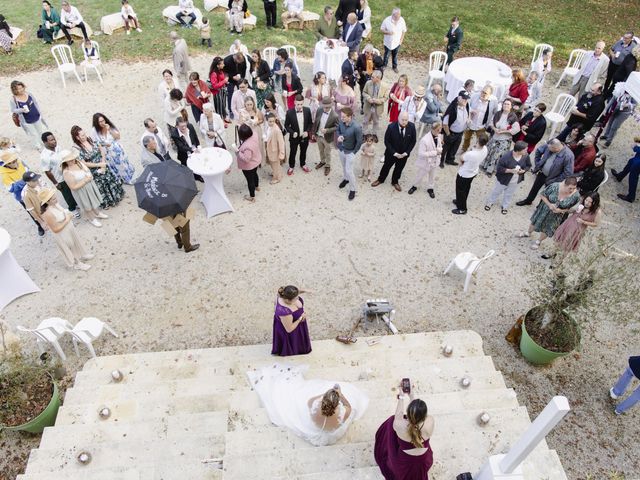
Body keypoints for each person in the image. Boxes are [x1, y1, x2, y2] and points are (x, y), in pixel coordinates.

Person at [247, 365, 368, 446]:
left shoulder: (315, 406)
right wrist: (341, 395)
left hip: (316, 429)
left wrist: (323, 396)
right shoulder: (341, 414)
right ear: (337, 405)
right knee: (352, 397)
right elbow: (349, 407)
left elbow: (309, 401)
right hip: (330, 435)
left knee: (303, 394)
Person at [374, 386, 434, 479]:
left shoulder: (399, 425)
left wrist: (401, 397)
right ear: (424, 415)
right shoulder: (430, 422)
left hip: (405, 461)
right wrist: (412, 396)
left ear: (409, 414)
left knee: (391, 421)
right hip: (423, 459)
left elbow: (397, 416)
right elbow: (417, 419)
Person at [519, 177, 580, 250]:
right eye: (570, 188)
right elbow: (542, 195)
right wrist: (549, 205)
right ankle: (528, 233)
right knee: (535, 221)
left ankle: (539, 241)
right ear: (565, 185)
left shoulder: (576, 196)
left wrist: (560, 210)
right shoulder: (554, 186)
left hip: (557, 215)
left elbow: (571, 208)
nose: (572, 190)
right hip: (545, 209)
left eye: (574, 188)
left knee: (548, 228)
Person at [39, 188, 93, 270]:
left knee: (76, 242)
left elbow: (64, 213)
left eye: (55, 197)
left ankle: (82, 254)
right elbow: (55, 229)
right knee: (70, 247)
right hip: (62, 233)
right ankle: (77, 263)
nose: (56, 199)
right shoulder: (48, 214)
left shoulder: (55, 205)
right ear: (47, 201)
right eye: (53, 199)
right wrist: (67, 219)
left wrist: (69, 215)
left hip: (69, 228)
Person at [71, 126, 124, 209]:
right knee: (101, 185)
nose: (85, 136)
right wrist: (99, 165)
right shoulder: (76, 148)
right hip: (94, 169)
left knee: (110, 180)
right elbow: (83, 163)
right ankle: (107, 202)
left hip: (102, 163)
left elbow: (101, 149)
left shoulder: (90, 139)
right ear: (77, 137)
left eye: (84, 134)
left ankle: (116, 197)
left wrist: (103, 161)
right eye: (82, 136)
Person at [516, 139, 575, 206]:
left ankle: (540, 206)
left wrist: (555, 181)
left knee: (547, 194)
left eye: (550, 149)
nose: (548, 150)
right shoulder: (550, 146)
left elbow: (568, 173)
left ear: (555, 148)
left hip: (553, 179)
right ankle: (529, 200)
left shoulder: (569, 156)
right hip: (542, 173)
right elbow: (538, 150)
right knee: (535, 188)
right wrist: (538, 163)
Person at [0, 152, 45, 236]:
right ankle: (39, 225)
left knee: (42, 203)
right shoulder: (4, 175)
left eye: (15, 160)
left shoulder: (20, 162)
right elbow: (11, 188)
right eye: (12, 162)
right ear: (7, 164)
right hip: (23, 196)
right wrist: (24, 181)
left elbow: (28, 170)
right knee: (32, 211)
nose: (16, 162)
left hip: (34, 189)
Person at [61, 150, 108, 228]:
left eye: (72, 158)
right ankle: (91, 219)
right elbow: (73, 187)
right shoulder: (66, 172)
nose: (72, 160)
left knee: (92, 200)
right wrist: (86, 180)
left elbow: (87, 171)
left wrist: (90, 177)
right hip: (80, 190)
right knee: (86, 205)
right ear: (65, 162)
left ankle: (97, 213)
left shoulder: (79, 163)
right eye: (69, 160)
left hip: (89, 185)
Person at [546, 191, 601, 257]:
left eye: (590, 202)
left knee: (567, 246)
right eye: (586, 200)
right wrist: (573, 208)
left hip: (577, 230)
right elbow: (570, 211)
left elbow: (596, 224)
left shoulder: (597, 211)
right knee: (559, 240)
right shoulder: (581, 203)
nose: (587, 203)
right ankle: (552, 253)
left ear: (594, 203)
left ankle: (558, 262)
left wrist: (584, 222)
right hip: (568, 224)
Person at [372, 112, 417, 191]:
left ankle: (395, 181)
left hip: (404, 154)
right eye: (402, 120)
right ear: (398, 118)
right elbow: (387, 141)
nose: (404, 122)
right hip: (391, 153)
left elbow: (413, 141)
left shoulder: (412, 127)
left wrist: (406, 152)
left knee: (399, 168)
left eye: (406, 120)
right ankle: (381, 179)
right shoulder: (391, 127)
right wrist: (394, 153)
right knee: (386, 167)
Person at [484, 140, 531, 214]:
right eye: (525, 149)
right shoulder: (506, 157)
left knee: (509, 193)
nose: (527, 150)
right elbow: (499, 169)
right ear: (518, 150)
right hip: (503, 179)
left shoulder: (526, 156)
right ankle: (490, 202)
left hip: (515, 180)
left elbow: (528, 165)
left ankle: (505, 206)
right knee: (497, 191)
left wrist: (524, 170)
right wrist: (510, 170)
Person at [40, 132, 79, 217]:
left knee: (74, 190)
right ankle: (72, 209)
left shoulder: (58, 147)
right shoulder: (44, 156)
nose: (54, 141)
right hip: (60, 179)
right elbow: (47, 171)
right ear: (45, 142)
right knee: (67, 194)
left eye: (54, 139)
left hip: (67, 173)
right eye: (51, 140)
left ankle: (76, 204)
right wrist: (56, 183)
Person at [452, 133, 490, 214]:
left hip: (464, 174)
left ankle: (462, 209)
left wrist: (470, 150)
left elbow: (461, 158)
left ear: (477, 141)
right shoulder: (485, 149)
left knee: (460, 190)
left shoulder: (471, 154)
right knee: (466, 188)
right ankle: (460, 201)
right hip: (473, 172)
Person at [91, 113, 135, 184]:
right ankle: (120, 180)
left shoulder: (109, 126)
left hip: (116, 150)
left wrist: (109, 130)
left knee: (123, 164)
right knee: (114, 167)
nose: (102, 123)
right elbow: (95, 143)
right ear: (96, 123)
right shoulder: (94, 131)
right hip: (107, 153)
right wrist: (104, 145)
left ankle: (128, 178)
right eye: (100, 122)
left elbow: (118, 137)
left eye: (103, 120)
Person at [481, 99, 520, 175]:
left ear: (511, 106)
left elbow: (517, 129)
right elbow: (491, 123)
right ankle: (484, 166)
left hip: (504, 139)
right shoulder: (498, 113)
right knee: (490, 152)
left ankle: (491, 170)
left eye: (508, 104)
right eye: (504, 104)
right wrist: (495, 129)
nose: (506, 105)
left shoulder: (513, 116)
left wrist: (504, 131)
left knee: (497, 155)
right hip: (495, 136)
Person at [272, 285, 312, 356]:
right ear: (287, 300)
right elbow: (289, 329)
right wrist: (300, 318)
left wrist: (305, 290)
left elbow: (295, 292)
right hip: (290, 330)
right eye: (295, 298)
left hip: (298, 327)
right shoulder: (284, 311)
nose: (297, 298)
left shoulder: (285, 294)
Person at [408, 122, 443, 198]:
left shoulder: (439, 136)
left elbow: (440, 145)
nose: (439, 131)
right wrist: (435, 152)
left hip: (435, 161)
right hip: (426, 162)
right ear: (432, 129)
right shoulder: (425, 140)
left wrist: (440, 150)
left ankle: (430, 188)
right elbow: (421, 153)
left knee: (432, 176)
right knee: (420, 175)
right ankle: (415, 186)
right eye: (438, 130)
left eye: (440, 129)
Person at [9, 80, 47, 149]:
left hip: (36, 116)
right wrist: (21, 110)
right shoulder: (13, 99)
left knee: (40, 130)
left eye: (22, 87)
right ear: (15, 90)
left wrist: (39, 113)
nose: (21, 90)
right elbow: (13, 110)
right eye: (19, 89)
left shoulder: (29, 94)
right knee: (33, 134)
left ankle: (42, 142)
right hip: (26, 120)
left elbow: (35, 103)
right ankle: (37, 145)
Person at [336, 107, 363, 200]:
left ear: (350, 117)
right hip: (341, 149)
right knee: (344, 167)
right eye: (341, 116)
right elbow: (338, 130)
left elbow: (359, 141)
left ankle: (353, 189)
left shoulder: (357, 127)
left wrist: (354, 152)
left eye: (343, 117)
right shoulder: (341, 122)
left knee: (349, 171)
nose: (341, 118)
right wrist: (339, 136)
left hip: (350, 152)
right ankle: (346, 179)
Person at [231, 124, 262, 202]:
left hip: (249, 166)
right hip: (256, 160)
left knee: (250, 180)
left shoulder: (247, 146)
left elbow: (246, 159)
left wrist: (237, 152)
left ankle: (252, 197)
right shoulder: (254, 134)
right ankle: (257, 186)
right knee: (255, 174)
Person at [439, 90, 470, 168]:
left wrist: (468, 119)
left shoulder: (466, 104)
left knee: (455, 147)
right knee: (445, 148)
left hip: (460, 132)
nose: (466, 101)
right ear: (459, 98)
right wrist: (448, 134)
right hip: (451, 132)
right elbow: (445, 124)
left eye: (467, 99)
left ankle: (450, 159)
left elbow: (468, 113)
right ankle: (441, 160)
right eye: (464, 99)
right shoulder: (452, 108)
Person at [284, 95, 313, 175]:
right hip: (294, 137)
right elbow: (286, 125)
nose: (300, 106)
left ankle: (303, 164)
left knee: (303, 151)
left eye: (301, 104)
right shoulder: (289, 112)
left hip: (304, 137)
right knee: (293, 152)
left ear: (303, 103)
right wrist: (292, 132)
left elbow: (310, 123)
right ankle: (291, 166)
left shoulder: (307, 110)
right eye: (298, 104)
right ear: (294, 103)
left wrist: (307, 131)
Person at [462, 86, 496, 153]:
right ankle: (464, 149)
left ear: (490, 94)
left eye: (485, 93)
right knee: (466, 138)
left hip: (481, 125)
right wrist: (472, 110)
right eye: (482, 91)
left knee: (480, 140)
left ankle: (476, 151)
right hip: (471, 123)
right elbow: (466, 105)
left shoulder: (493, 102)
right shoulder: (474, 96)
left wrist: (490, 122)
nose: (482, 94)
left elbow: (495, 112)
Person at [313, 97, 339, 175]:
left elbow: (337, 127)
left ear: (331, 106)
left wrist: (327, 130)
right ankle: (322, 161)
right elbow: (316, 121)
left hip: (327, 138)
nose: (325, 109)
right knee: (321, 150)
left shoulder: (335, 115)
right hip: (318, 135)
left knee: (327, 152)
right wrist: (314, 133)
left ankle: (328, 165)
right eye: (324, 107)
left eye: (327, 107)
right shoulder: (319, 109)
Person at [611, 137, 640, 203]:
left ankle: (631, 197)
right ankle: (620, 176)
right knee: (630, 162)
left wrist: (636, 147)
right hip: (637, 158)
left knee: (633, 177)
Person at [356, 44, 384, 112]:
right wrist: (362, 72)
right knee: (363, 93)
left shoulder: (375, 58)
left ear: (372, 52)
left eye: (368, 52)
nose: (366, 54)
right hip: (363, 79)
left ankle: (371, 107)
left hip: (373, 80)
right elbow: (357, 67)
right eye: (365, 52)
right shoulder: (361, 57)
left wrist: (372, 73)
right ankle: (363, 107)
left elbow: (379, 69)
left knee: (373, 94)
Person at [362, 71, 389, 135]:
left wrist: (378, 101)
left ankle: (374, 134)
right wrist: (368, 98)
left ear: (378, 78)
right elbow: (364, 92)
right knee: (365, 121)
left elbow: (386, 98)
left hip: (377, 107)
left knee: (376, 122)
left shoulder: (385, 86)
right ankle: (364, 133)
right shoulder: (368, 83)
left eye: (372, 77)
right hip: (368, 106)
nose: (371, 78)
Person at [380, 8, 406, 73]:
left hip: (397, 43)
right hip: (388, 42)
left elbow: (404, 31)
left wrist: (401, 41)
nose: (398, 18)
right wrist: (388, 32)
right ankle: (384, 65)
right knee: (386, 55)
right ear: (393, 15)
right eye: (396, 16)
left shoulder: (402, 20)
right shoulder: (386, 20)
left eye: (399, 16)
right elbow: (382, 29)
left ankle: (394, 67)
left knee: (395, 56)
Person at [22, 172, 47, 236]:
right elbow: (31, 210)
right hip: (42, 211)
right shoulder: (25, 194)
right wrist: (41, 222)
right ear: (27, 182)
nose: (37, 181)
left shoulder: (40, 182)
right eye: (34, 180)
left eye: (36, 178)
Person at [263, 113, 285, 184]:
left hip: (275, 151)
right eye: (270, 121)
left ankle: (276, 178)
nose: (271, 123)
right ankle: (274, 173)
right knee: (272, 164)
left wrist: (281, 154)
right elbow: (267, 135)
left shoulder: (277, 130)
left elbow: (281, 143)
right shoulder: (268, 127)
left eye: (273, 121)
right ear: (267, 121)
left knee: (276, 165)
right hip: (270, 149)